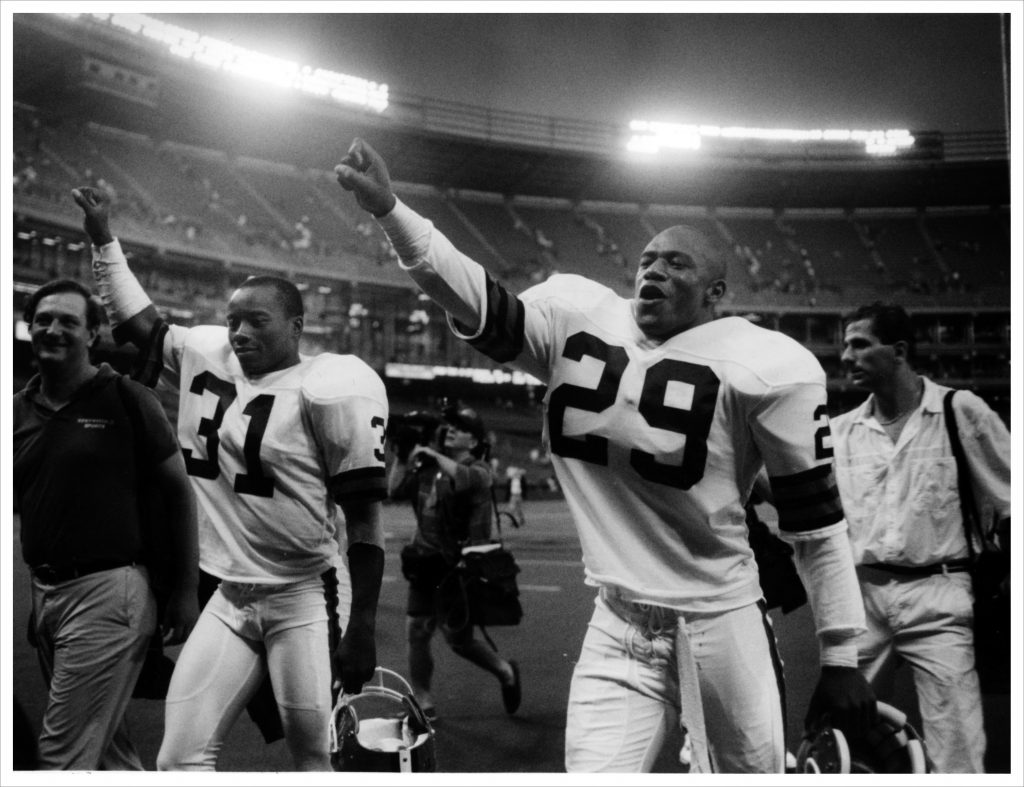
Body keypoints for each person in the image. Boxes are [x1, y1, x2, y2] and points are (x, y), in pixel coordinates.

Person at [333, 138, 876, 773]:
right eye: (648, 259)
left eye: (677, 264)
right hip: (617, 619)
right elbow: (475, 298)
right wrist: (392, 210)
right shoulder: (578, 319)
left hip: (720, 620)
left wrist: (841, 656)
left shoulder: (769, 365)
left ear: (716, 292)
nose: (655, 271)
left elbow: (816, 524)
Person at [72, 185, 389, 771]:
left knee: (314, 757)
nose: (239, 332)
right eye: (233, 320)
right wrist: (103, 240)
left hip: (305, 594)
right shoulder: (207, 355)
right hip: (230, 595)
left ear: (296, 327)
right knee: (179, 757)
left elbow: (367, 526)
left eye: (257, 321)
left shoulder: (328, 388)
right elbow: (141, 325)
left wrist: (363, 625)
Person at [13, 278, 199, 769]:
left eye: (68, 321)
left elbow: (179, 494)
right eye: (43, 319)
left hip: (109, 594)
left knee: (61, 758)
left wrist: (185, 590)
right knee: (111, 755)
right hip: (47, 593)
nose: (52, 329)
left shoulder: (127, 399)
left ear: (93, 334)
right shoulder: (16, 410)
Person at [830, 303, 1011, 773]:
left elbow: (1013, 495)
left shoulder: (960, 411)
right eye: (844, 344)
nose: (845, 355)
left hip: (939, 595)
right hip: (861, 600)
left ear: (900, 351)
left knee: (957, 749)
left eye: (859, 344)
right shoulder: (841, 431)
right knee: (841, 743)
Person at [387, 405, 522, 721]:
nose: (450, 429)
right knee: (417, 630)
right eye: (449, 425)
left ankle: (505, 671)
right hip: (424, 561)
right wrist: (402, 453)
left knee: (459, 641)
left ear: (474, 443)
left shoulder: (480, 470)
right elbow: (393, 489)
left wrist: (430, 455)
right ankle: (423, 699)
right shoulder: (427, 466)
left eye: (460, 428)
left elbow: (464, 478)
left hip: (459, 567)